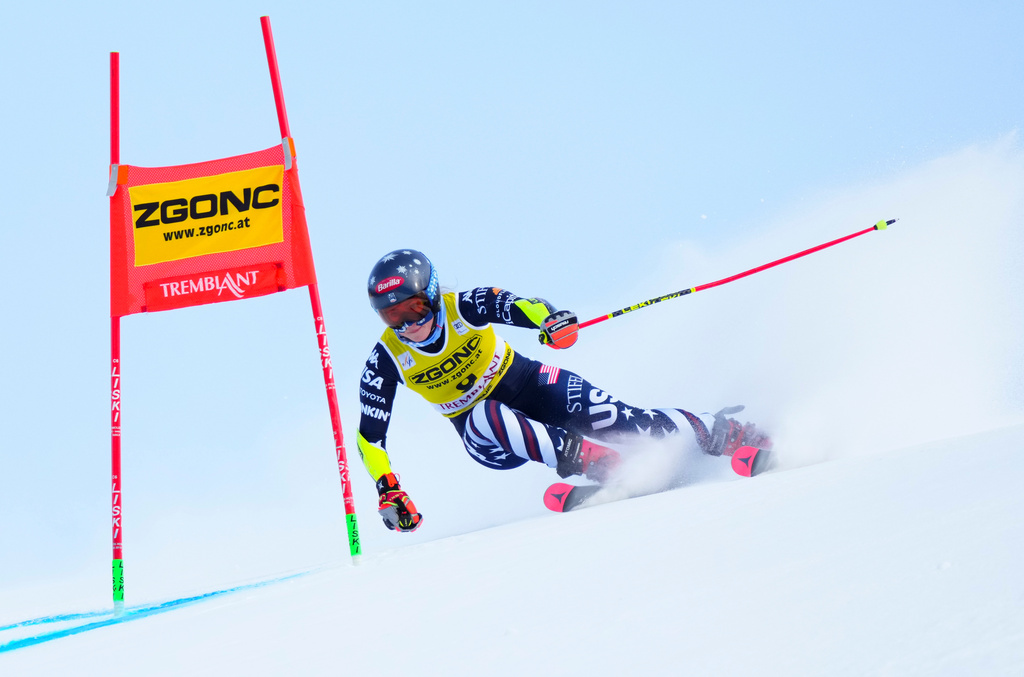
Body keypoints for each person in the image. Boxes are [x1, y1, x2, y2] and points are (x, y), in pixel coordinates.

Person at [356, 249, 770, 532]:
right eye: (393, 316)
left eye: (414, 309)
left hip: (530, 383)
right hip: (486, 435)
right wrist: (387, 488)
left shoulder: (463, 305)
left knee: (626, 422)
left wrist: (550, 322)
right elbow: (369, 439)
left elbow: (522, 305)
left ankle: (726, 433)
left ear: (431, 295)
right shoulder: (386, 360)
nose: (408, 325)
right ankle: (605, 466)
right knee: (485, 413)